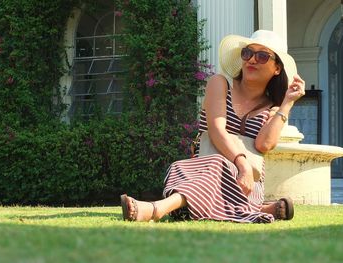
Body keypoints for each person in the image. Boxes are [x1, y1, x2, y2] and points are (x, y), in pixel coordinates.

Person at [120, 30, 305, 223]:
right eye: (247, 53)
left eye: (262, 56)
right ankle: (260, 209)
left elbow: (264, 145)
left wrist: (287, 103)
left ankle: (155, 209)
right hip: (207, 170)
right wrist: (243, 165)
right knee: (201, 165)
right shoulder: (220, 83)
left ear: (277, 68)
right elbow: (216, 130)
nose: (251, 60)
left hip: (246, 183)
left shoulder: (272, 108)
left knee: (217, 165)